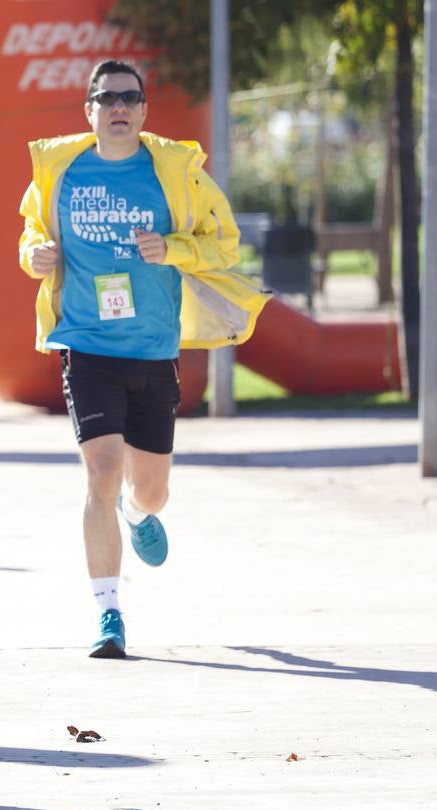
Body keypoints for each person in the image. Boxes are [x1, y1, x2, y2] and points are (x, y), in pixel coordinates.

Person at [17, 59, 268, 659]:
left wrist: (173, 248)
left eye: (130, 97)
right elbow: (29, 231)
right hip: (86, 343)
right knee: (101, 472)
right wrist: (36, 255)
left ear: (144, 109)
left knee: (150, 492)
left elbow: (225, 242)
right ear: (90, 111)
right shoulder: (61, 171)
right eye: (107, 98)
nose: (119, 107)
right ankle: (109, 615)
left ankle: (138, 511)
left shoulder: (175, 172)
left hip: (154, 349)